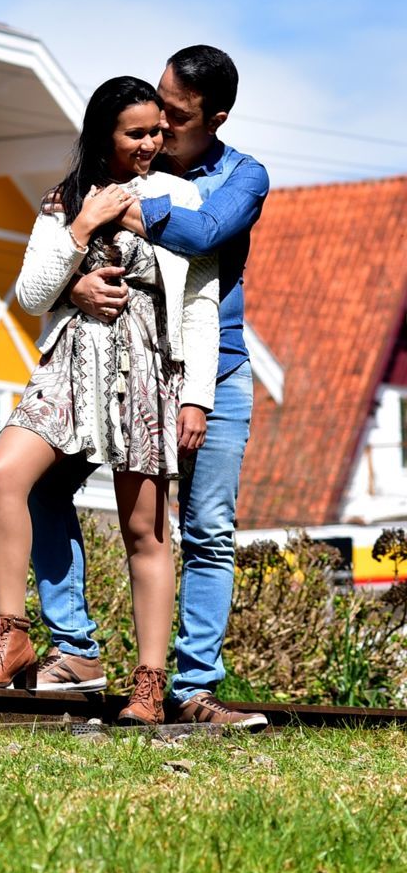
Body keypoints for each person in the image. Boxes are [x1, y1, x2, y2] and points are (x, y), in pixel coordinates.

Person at [29, 47, 271, 729]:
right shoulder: (128, 166)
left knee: (206, 529)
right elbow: (61, 239)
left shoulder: (239, 176)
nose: (159, 124)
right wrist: (72, 279)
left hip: (213, 368)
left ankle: (190, 689)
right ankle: (75, 647)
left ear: (215, 117)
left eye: (177, 115)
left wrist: (132, 212)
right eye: (156, 105)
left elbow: (208, 234)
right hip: (122, 370)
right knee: (45, 486)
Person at [0, 75, 218, 726]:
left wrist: (196, 398)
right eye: (136, 132)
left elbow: (198, 305)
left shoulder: (178, 196)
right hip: (72, 363)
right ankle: (13, 636)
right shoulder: (65, 198)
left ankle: (149, 686)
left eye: (157, 131)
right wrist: (78, 234)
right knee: (2, 476)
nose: (152, 141)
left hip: (145, 367)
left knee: (145, 529)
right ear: (103, 135)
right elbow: (29, 294)